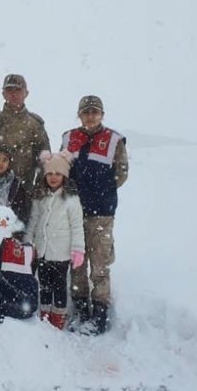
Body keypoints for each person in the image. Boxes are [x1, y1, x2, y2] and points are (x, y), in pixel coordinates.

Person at [61, 95, 129, 335]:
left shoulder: (113, 140)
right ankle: (80, 308)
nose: (90, 116)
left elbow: (121, 173)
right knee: (77, 261)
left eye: (95, 112)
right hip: (75, 210)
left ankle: (100, 311)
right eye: (86, 112)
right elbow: (61, 170)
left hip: (102, 211)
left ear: (101, 114)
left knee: (100, 262)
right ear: (79, 115)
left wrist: (102, 190)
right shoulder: (69, 138)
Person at [26, 150, 85, 330]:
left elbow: (76, 225)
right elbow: (34, 220)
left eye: (57, 174)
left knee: (59, 286)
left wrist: (78, 249)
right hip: (42, 250)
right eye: (49, 174)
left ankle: (58, 315)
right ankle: (44, 312)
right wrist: (28, 242)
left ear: (64, 176)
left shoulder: (71, 198)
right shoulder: (40, 196)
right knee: (44, 284)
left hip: (61, 252)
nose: (53, 177)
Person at [0, 74, 50, 191]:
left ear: (26, 93)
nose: (13, 94)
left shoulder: (35, 125)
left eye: (18, 90)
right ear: (3, 94)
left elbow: (45, 160)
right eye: (9, 90)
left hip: (22, 190)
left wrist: (40, 188)